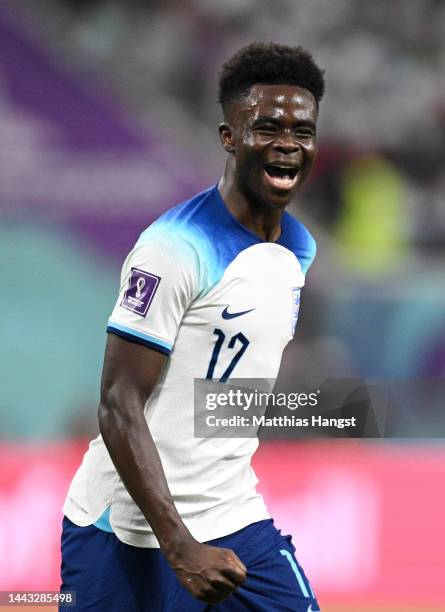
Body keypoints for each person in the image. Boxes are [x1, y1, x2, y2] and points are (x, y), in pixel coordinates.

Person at [60, 42, 325, 611]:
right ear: (229, 137)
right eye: (266, 127)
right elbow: (117, 401)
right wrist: (179, 546)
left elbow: (223, 382)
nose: (287, 143)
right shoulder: (172, 249)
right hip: (129, 530)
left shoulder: (297, 249)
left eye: (301, 131)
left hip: (233, 516)